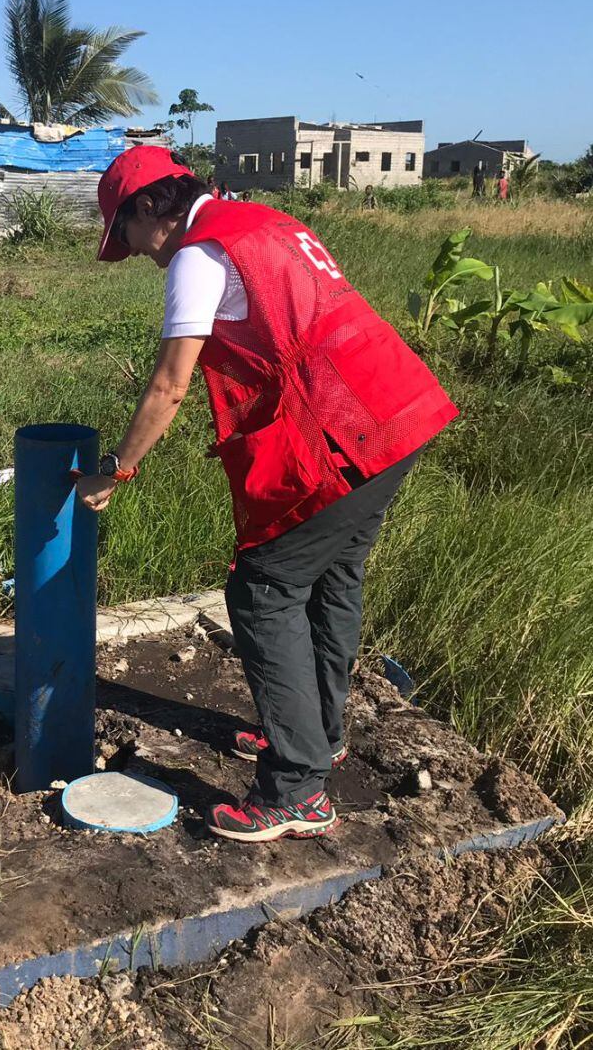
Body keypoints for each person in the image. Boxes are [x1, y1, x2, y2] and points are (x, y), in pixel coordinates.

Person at [75, 146, 457, 843]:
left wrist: (116, 469)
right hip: (399, 409)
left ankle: (297, 789)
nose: (132, 253)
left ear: (147, 208)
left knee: (263, 589)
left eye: (123, 235)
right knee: (333, 575)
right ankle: (323, 734)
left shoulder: (197, 254)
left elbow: (169, 385)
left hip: (344, 427)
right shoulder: (263, 219)